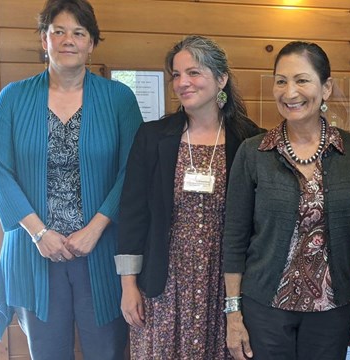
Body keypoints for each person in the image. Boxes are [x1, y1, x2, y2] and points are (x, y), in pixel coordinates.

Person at [0, 0, 142, 358]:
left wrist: (95, 228)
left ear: (92, 42)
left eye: (78, 32)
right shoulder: (13, 97)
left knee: (106, 350)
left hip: (102, 250)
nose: (68, 40)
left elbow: (133, 171)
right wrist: (39, 233)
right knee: (46, 352)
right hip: (35, 252)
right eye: (57, 31)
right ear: (44, 40)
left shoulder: (119, 98)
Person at [222, 41, 350, 360]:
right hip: (265, 308)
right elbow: (234, 238)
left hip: (333, 310)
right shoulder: (253, 153)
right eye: (281, 81)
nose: (290, 92)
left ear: (326, 87)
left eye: (302, 80)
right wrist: (233, 314)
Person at [115, 35, 263, 359]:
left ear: (221, 79)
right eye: (176, 75)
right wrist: (128, 286)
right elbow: (132, 214)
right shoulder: (153, 137)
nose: (183, 83)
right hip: (164, 281)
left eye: (193, 73)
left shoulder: (250, 140)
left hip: (226, 283)